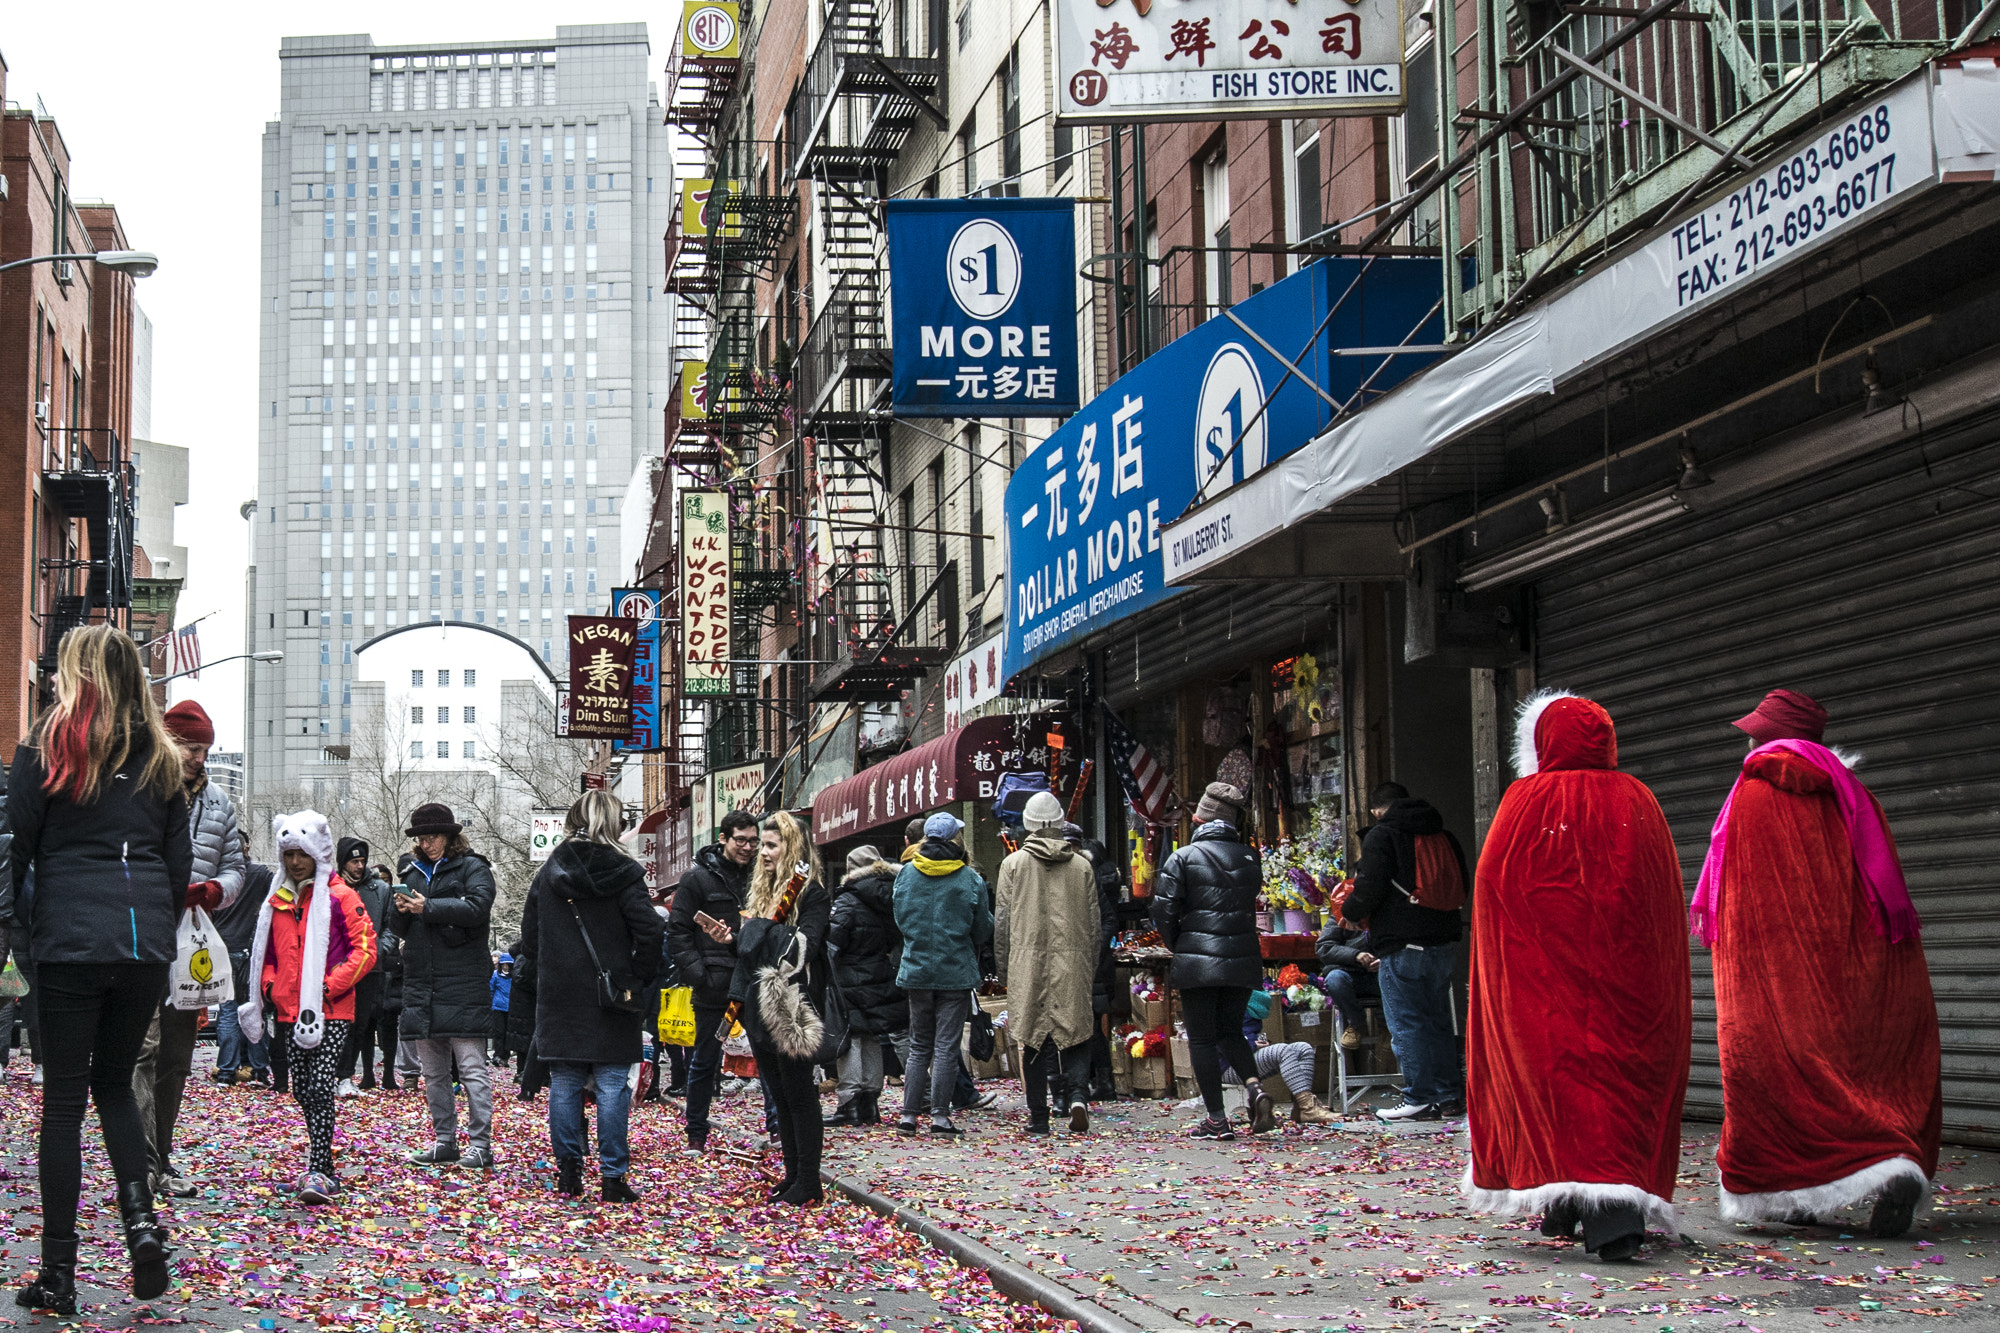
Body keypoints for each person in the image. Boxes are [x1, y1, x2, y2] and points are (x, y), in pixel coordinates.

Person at [1692, 689, 1939, 1239]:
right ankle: (1889, 1163)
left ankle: (1790, 1190)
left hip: (1777, 973)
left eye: (1756, 730)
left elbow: (1740, 903)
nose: (1748, 739)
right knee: (1861, 1069)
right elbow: (1883, 890)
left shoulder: (1754, 797)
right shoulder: (1855, 797)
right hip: (1856, 968)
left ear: (1772, 736)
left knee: (1776, 1072)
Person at [1464, 691, 1690, 1263]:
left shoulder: (1524, 802)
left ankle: (1606, 1221)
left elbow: (1494, 892)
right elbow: (1663, 902)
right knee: (1617, 1086)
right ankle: (1579, 1209)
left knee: (1558, 1086)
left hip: (1543, 985)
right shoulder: (1639, 799)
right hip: (1630, 983)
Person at [7, 624, 191, 1312]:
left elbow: (13, 849)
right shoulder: (162, 761)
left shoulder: (46, 748)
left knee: (63, 1102)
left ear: (78, 674)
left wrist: (12, 936)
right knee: (115, 1085)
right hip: (141, 945)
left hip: (69, 943)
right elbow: (176, 872)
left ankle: (59, 1269)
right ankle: (141, 1220)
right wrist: (150, 938)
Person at [518, 791, 663, 1201]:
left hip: (561, 994)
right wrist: (638, 975)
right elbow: (650, 931)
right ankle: (613, 1178)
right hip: (613, 994)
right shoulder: (626, 873)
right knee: (613, 1084)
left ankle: (569, 1172)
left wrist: (556, 965)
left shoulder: (549, 872)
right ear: (614, 823)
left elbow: (530, 939)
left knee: (564, 1082)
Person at [133, 699, 245, 1198]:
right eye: (189, 746)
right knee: (143, 1050)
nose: (197, 757)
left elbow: (236, 866)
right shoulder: (140, 788)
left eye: (203, 749)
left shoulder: (220, 801)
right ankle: (143, 1163)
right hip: (142, 932)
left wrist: (215, 890)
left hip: (193, 938)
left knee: (177, 1057)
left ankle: (163, 1154)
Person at [239, 811, 378, 1204]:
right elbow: (264, 953)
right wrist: (270, 985)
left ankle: (320, 1168)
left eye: (302, 853)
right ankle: (322, 1169)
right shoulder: (278, 899)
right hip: (288, 1010)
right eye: (288, 854)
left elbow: (365, 949)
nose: (295, 862)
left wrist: (326, 986)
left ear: (317, 852)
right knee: (302, 1088)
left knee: (319, 1085)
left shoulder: (340, 895)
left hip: (331, 1010)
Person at [705, 810, 831, 1204]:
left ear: (791, 848)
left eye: (771, 845)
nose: (762, 852)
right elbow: (754, 949)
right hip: (757, 1005)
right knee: (778, 1094)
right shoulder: (760, 893)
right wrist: (734, 939)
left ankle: (809, 1180)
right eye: (762, 844)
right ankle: (793, 1174)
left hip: (791, 1008)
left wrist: (753, 931)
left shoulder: (812, 894)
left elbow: (801, 948)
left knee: (799, 1095)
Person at [1340, 781, 1468, 1122]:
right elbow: (1463, 885)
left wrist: (1349, 913)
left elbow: (1369, 888)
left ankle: (1419, 1097)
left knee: (1406, 1022)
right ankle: (1449, 1095)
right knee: (1438, 1021)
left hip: (1401, 944)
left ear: (1377, 811)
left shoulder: (1383, 836)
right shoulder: (1444, 834)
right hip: (1442, 943)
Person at [1153, 782, 1274, 1140]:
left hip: (1198, 963)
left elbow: (1163, 910)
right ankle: (1255, 1088)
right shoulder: (1250, 857)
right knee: (1231, 1031)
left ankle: (1217, 1120)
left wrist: (1180, 944)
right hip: (1241, 960)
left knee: (1203, 1040)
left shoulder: (1184, 857)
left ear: (1200, 818)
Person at [392, 803, 499, 1168]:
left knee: (472, 1069)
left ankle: (480, 1144)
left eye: (433, 836)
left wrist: (429, 908)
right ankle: (444, 1141)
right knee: (433, 1072)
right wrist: (400, 910)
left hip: (464, 982)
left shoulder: (474, 867)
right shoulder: (412, 871)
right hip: (422, 983)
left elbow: (478, 907)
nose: (427, 843)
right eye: (422, 838)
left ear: (450, 835)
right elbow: (397, 928)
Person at [996, 804, 1099, 1136]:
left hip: (1028, 961)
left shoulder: (1013, 865)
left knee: (1034, 1037)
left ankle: (1039, 1117)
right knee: (1076, 1033)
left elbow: (1003, 923)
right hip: (1074, 958)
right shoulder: (1082, 866)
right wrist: (1090, 964)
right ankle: (1079, 1097)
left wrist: (1004, 971)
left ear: (1027, 823)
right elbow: (1094, 925)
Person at [893, 810, 993, 1137]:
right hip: (955, 972)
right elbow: (982, 929)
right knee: (946, 1046)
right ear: (955, 839)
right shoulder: (970, 879)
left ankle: (909, 1115)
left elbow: (900, 919)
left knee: (919, 1042)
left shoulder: (906, 874)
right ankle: (939, 1116)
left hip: (917, 970)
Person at [664, 808, 759, 1151]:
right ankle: (696, 1133)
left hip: (755, 980)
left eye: (753, 840)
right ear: (723, 839)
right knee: (704, 1061)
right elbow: (678, 932)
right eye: (740, 840)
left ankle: (780, 1130)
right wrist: (698, 975)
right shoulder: (697, 879)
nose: (747, 847)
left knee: (770, 1057)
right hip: (715, 985)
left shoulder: (761, 875)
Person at [824, 845, 908, 1128]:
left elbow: (833, 942)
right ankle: (871, 1103)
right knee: (872, 1036)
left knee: (850, 1038)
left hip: (850, 977)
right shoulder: (891, 895)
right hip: (880, 973)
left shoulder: (849, 899)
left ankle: (849, 1103)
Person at [213, 830, 275, 1087]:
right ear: (247, 847)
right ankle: (259, 1069)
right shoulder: (260, 875)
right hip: (250, 951)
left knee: (228, 1012)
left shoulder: (219, 878)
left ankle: (226, 1071)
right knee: (253, 1010)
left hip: (222, 949)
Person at [334, 839, 392, 1097]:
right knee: (338, 1022)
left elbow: (391, 926)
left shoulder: (379, 888)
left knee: (361, 1023)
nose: (359, 866)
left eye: (362, 861)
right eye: (354, 861)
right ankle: (334, 1073)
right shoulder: (332, 887)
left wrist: (380, 950)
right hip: (339, 966)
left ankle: (346, 1075)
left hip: (370, 967)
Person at [1229, 992, 1338, 1125]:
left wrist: (1255, 1043)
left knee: (1304, 1048)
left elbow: (1246, 1034)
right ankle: (1308, 1107)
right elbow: (1223, 1041)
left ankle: (1302, 1108)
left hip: (1247, 1058)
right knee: (1283, 1050)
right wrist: (1251, 1044)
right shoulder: (1231, 1001)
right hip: (1230, 1066)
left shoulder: (1251, 1006)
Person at [1079, 837, 1124, 1103]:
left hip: (1092, 962)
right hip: (1098, 961)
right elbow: (1110, 920)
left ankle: (1099, 1081)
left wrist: (1094, 947)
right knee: (1093, 1025)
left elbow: (1108, 919)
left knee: (1091, 1025)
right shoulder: (1107, 877)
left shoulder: (1091, 881)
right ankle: (1099, 1080)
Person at [1313, 915, 1379, 1054]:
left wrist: (1385, 961)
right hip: (1349, 974)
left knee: (1399, 974)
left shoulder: (1388, 913)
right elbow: (1324, 948)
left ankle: (1388, 1026)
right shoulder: (1340, 915)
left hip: (1380, 976)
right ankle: (1357, 1024)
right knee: (1335, 980)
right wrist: (1355, 955)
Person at [489, 951, 513, 1067]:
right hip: (498, 1007)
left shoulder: (513, 976)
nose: (505, 967)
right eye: (503, 964)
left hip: (510, 1008)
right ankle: (498, 1055)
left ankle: (505, 1056)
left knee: (507, 1033)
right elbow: (491, 989)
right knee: (499, 1032)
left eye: (508, 965)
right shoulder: (495, 975)